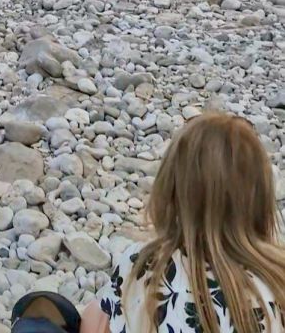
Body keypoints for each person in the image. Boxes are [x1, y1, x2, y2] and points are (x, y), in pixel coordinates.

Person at [71, 113, 285, 333]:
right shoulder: (276, 283)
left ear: (171, 189)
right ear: (261, 198)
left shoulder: (144, 265)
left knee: (92, 313)